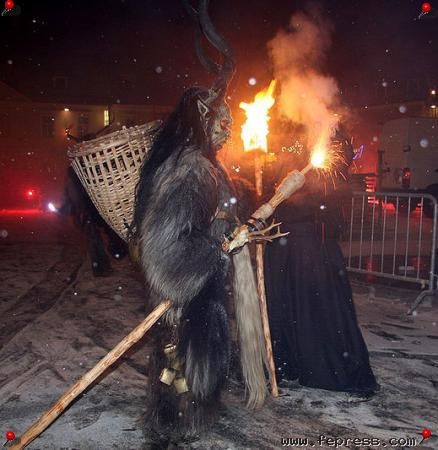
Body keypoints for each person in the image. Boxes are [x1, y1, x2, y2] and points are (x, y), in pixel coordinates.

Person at [264, 128, 379, 396]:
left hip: (312, 251)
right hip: (286, 248)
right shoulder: (294, 145)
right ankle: (287, 361)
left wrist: (302, 196)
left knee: (316, 308)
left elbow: (329, 194)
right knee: (286, 307)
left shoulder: (329, 154)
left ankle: (320, 363)